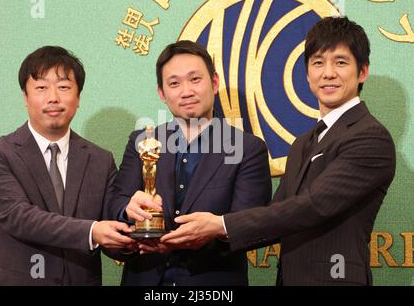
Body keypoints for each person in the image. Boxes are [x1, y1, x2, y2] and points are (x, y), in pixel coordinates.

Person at [161, 17, 397, 286]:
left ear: (363, 71)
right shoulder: (302, 143)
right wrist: (212, 232)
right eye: (318, 63)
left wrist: (221, 225)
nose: (328, 73)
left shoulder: (369, 137)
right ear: (307, 73)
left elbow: (313, 206)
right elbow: (277, 212)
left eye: (340, 62)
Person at [111, 40, 272, 286]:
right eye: (174, 83)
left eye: (195, 79)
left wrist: (207, 234)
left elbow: (249, 228)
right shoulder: (143, 141)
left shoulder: (248, 149)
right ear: (162, 94)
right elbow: (115, 205)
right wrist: (128, 211)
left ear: (214, 83)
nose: (186, 91)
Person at [0, 46, 136, 285]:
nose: (53, 97)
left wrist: (135, 234)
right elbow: (20, 218)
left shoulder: (100, 160)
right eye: (41, 88)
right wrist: (92, 232)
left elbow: (110, 233)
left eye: (63, 87)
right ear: (25, 97)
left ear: (78, 97)